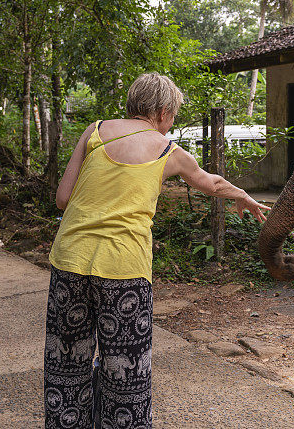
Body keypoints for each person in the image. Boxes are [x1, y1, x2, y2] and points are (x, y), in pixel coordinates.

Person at [44, 72, 270, 428]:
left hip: (70, 260)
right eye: (173, 116)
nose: (170, 125)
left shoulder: (95, 130)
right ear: (163, 111)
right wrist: (242, 197)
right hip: (123, 270)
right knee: (126, 382)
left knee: (66, 368)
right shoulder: (169, 151)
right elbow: (210, 182)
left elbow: (62, 198)